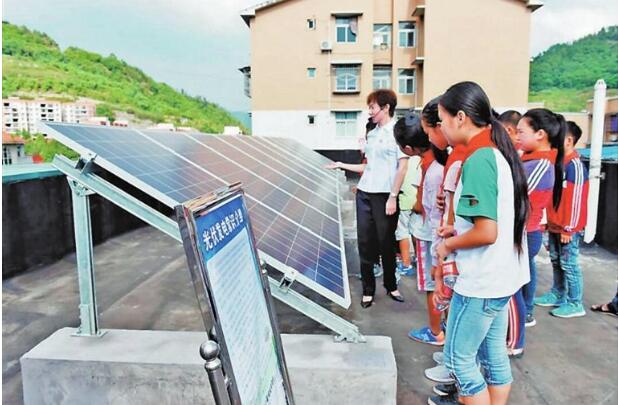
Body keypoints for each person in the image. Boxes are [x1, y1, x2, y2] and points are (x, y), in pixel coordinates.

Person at [433, 81, 530, 405]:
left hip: (482, 282)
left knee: (459, 361)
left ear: (460, 118)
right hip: (502, 278)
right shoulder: (497, 153)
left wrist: (449, 246)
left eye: (443, 120)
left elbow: (487, 232)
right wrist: (457, 233)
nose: (442, 128)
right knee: (493, 360)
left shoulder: (478, 159)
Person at [326, 89, 409, 308]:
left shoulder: (397, 132)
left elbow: (402, 168)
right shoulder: (372, 134)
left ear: (386, 108)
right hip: (364, 194)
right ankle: (368, 290)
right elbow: (367, 167)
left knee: (386, 244)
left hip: (385, 196)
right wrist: (341, 164)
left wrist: (393, 197)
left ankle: (391, 285)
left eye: (373, 107)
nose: (370, 111)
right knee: (365, 243)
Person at [394, 110, 448, 346]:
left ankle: (436, 332)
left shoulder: (431, 169)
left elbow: (421, 205)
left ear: (407, 148)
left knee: (431, 286)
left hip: (430, 237)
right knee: (443, 284)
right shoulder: (440, 162)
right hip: (440, 237)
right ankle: (443, 325)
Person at [516, 108, 565, 331]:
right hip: (524, 231)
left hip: (526, 232)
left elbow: (517, 194)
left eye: (521, 132)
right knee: (524, 274)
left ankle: (524, 314)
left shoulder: (541, 164)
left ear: (540, 134)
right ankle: (524, 313)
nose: (517, 137)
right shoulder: (531, 160)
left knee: (520, 280)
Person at [535, 121, 589, 318]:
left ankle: (576, 303)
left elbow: (576, 201)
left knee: (570, 264)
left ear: (568, 140)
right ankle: (558, 294)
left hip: (568, 228)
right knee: (556, 261)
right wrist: (549, 223)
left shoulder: (575, 165)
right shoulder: (559, 164)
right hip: (555, 226)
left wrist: (569, 228)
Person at [395, 152, 421, 277]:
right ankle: (419, 260)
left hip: (404, 199)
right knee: (416, 231)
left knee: (402, 231)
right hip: (418, 199)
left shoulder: (402, 158)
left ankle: (406, 265)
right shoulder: (420, 157)